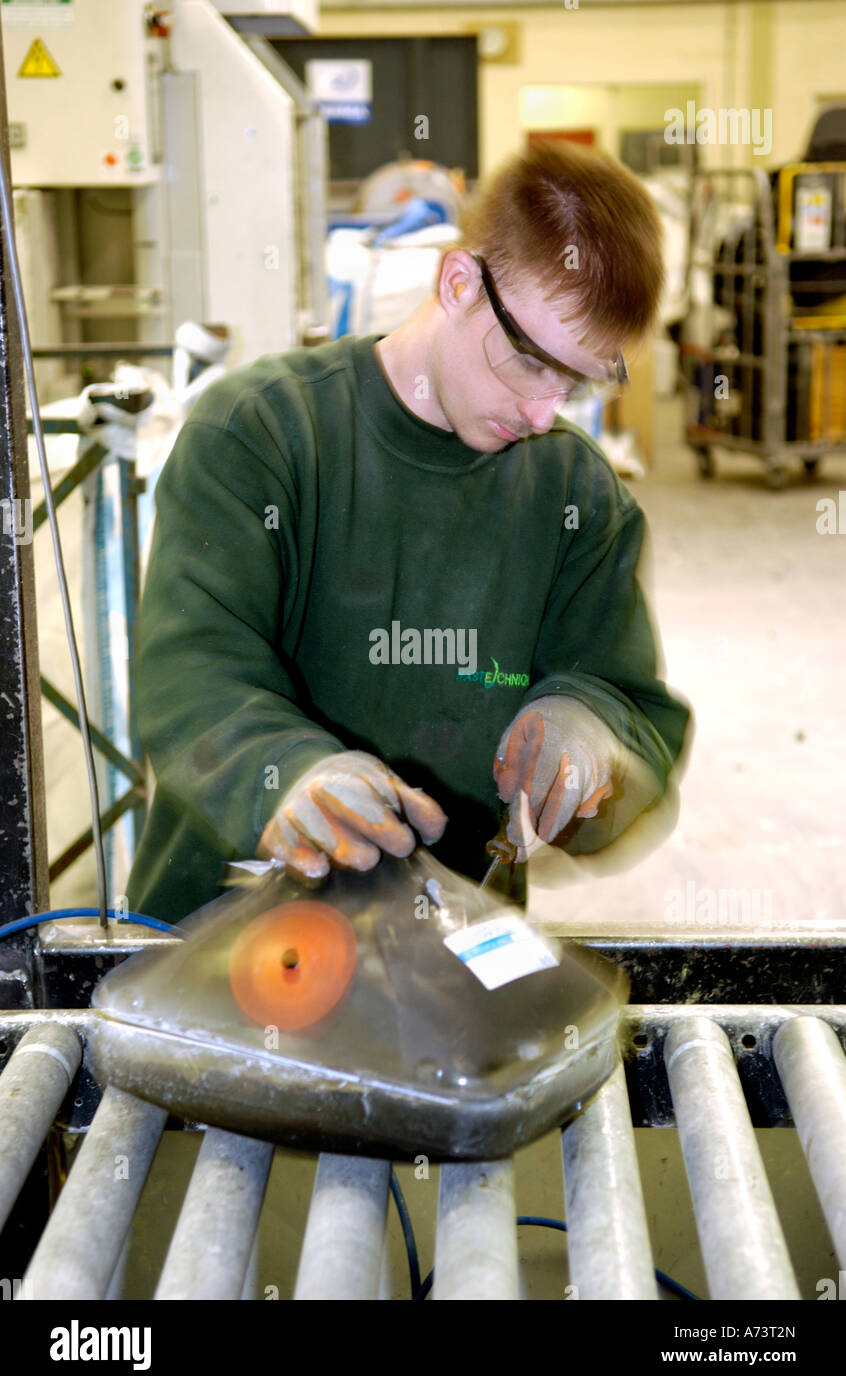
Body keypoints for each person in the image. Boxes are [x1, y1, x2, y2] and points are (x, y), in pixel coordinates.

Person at [127, 142, 690, 925]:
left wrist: (587, 730)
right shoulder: (260, 433)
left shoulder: (577, 492)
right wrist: (289, 774)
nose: (541, 413)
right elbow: (190, 672)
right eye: (528, 361)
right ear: (458, 282)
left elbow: (629, 702)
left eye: (577, 380)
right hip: (223, 942)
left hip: (444, 972)